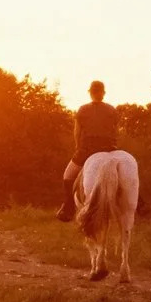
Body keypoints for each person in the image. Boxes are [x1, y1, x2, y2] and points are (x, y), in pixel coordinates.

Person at [58, 81, 121, 222]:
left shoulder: (83, 110)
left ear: (90, 93)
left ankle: (68, 207)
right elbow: (115, 131)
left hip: (88, 148)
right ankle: (140, 202)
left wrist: (77, 147)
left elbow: (77, 133)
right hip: (110, 147)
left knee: (67, 176)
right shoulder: (112, 110)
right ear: (103, 93)